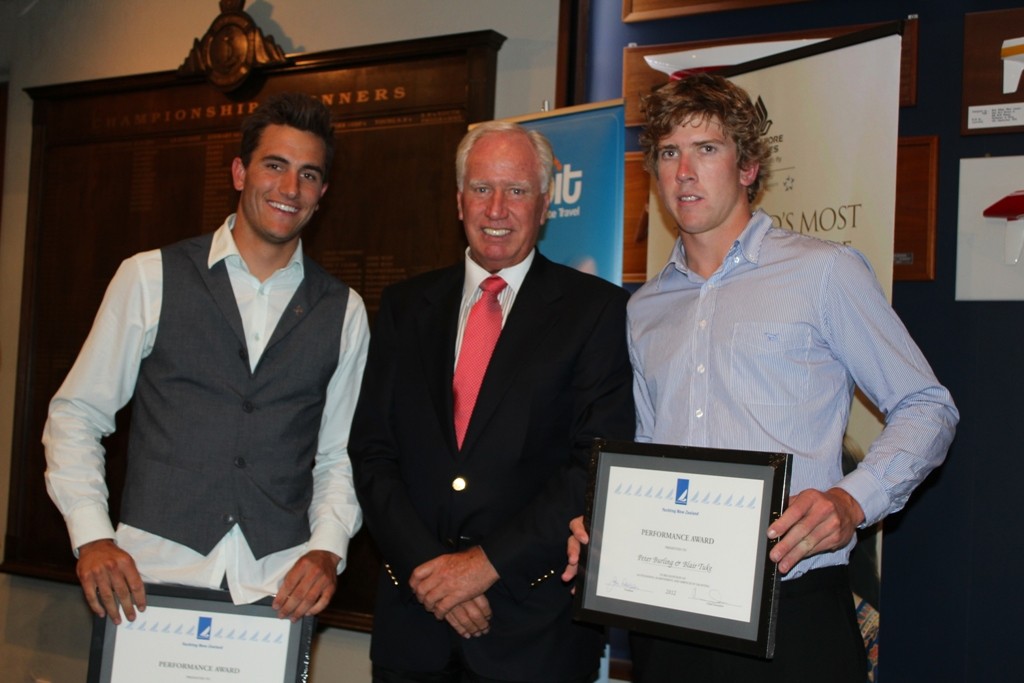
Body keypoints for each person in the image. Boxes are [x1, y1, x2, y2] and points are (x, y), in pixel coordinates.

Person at [563, 72, 959, 682]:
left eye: (707, 149)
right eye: (669, 152)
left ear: (748, 168)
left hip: (791, 604)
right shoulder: (644, 308)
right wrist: (607, 518)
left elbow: (926, 405)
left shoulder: (823, 273)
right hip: (668, 610)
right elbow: (645, 447)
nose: (685, 171)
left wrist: (853, 501)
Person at [43, 92, 368, 625]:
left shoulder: (345, 310)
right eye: (275, 166)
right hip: (148, 579)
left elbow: (340, 454)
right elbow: (76, 415)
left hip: (281, 587)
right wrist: (93, 537)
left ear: (322, 192)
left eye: (308, 175)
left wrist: (327, 549)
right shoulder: (149, 276)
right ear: (240, 172)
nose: (290, 188)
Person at [349, 120, 635, 683]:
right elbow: (373, 455)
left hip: (534, 636)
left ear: (546, 205)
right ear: (459, 201)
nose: (497, 208)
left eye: (517, 190)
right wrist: (433, 573)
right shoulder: (406, 307)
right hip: (414, 629)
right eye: (482, 189)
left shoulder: (595, 311)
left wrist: (483, 567)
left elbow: (594, 464)